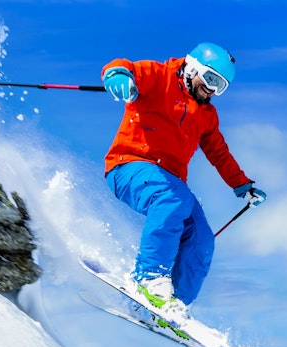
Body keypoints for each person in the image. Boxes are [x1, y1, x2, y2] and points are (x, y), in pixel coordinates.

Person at [100, 42, 265, 322]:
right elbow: (124, 66)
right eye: (211, 79)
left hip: (171, 184)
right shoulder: (159, 76)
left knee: (202, 240)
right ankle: (148, 279)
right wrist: (117, 76)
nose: (212, 90)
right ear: (193, 68)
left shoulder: (206, 115)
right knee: (173, 197)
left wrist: (242, 184)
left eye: (221, 87)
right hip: (128, 166)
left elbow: (218, 151)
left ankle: (171, 307)